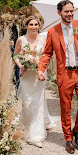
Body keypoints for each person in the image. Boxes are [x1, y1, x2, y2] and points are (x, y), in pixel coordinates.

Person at [37, 0, 78, 154]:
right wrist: (41, 69)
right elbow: (47, 53)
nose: (70, 14)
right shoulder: (52, 31)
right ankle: (68, 138)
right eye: (66, 12)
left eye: (71, 11)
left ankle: (77, 130)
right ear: (59, 13)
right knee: (65, 107)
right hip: (65, 74)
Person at [14, 16, 55, 148]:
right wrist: (21, 66)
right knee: (27, 102)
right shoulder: (21, 39)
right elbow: (15, 55)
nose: (33, 27)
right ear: (26, 26)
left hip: (40, 75)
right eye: (31, 24)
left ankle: (35, 134)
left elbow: (48, 56)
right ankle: (24, 126)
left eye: (36, 24)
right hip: (26, 75)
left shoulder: (44, 40)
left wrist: (44, 66)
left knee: (37, 102)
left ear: (39, 26)